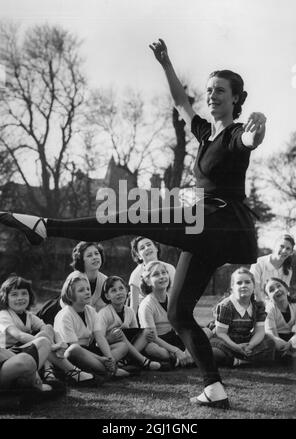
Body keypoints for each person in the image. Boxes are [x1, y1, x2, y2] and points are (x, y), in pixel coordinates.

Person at [0, 38, 267, 408]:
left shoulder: (237, 134)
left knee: (129, 214)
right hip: (202, 228)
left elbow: (251, 139)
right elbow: (180, 102)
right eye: (208, 90)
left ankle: (46, 226)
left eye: (220, 91)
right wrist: (166, 63)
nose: (212, 95)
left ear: (237, 98)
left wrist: (259, 128)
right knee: (177, 311)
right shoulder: (206, 134)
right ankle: (214, 387)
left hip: (218, 220)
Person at [0, 275, 94, 386]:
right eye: (14, 295)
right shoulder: (4, 315)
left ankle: (48, 370)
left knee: (47, 329)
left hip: (26, 350)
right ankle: (71, 371)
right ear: (5, 298)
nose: (20, 298)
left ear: (30, 296)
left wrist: (59, 343)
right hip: (10, 355)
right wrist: (52, 346)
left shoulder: (28, 316)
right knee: (43, 340)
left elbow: (47, 328)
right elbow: (19, 335)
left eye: (24, 293)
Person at [54, 271, 130, 378]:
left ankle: (106, 366)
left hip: (89, 350)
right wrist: (100, 359)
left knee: (122, 346)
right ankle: (109, 371)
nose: (87, 292)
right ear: (70, 295)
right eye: (81, 290)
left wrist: (109, 358)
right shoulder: (65, 315)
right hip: (70, 355)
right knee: (74, 349)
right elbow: (72, 347)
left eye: (88, 289)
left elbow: (100, 337)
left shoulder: (90, 311)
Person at [98, 275, 169, 370]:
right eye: (113, 291)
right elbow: (98, 342)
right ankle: (144, 362)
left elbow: (136, 334)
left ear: (127, 291)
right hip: (113, 348)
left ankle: (128, 360)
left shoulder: (129, 311)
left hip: (130, 346)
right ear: (107, 296)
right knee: (118, 332)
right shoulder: (104, 313)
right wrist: (109, 338)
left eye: (121, 289)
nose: (119, 293)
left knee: (147, 333)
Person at [209, 267, 275, 367]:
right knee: (214, 353)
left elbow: (259, 331)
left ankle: (238, 360)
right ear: (232, 288)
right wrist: (235, 347)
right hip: (225, 342)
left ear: (253, 287)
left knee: (270, 343)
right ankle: (243, 361)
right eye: (239, 283)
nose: (244, 285)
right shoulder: (226, 306)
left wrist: (250, 345)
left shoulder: (258, 306)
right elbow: (221, 333)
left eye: (247, 282)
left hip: (245, 341)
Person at [139, 260, 195, 367]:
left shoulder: (173, 299)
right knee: (153, 349)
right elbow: (153, 337)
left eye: (164, 273)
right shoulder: (146, 305)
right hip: (158, 341)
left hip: (174, 337)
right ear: (148, 281)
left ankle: (182, 359)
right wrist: (176, 350)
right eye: (156, 274)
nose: (162, 276)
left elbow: (186, 327)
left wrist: (188, 348)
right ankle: (180, 360)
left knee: (205, 331)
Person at [37, 241, 107, 325]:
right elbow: (69, 308)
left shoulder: (104, 280)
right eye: (89, 255)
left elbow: (100, 310)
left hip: (85, 320)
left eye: (96, 253)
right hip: (57, 314)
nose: (95, 257)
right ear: (81, 260)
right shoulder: (76, 277)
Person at [129, 237, 176, 314]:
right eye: (142, 248)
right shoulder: (135, 275)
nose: (147, 248)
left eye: (149, 244)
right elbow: (133, 307)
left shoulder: (170, 268)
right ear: (138, 255)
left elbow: (172, 297)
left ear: (156, 248)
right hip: (146, 312)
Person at [250, 234, 295, 302]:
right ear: (274, 246)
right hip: (257, 305)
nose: (284, 251)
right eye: (281, 246)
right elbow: (255, 290)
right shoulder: (259, 263)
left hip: (276, 306)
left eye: (288, 249)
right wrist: (262, 307)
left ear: (291, 252)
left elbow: (284, 293)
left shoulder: (288, 271)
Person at [264, 278, 296, 358]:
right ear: (268, 298)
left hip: (293, 340)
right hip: (277, 340)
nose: (276, 290)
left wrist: (290, 344)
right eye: (271, 290)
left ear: (286, 289)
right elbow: (271, 334)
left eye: (279, 286)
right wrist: (283, 346)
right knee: (267, 340)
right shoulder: (269, 309)